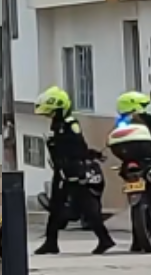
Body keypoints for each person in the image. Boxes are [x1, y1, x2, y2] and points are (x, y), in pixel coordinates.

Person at [34, 86, 115, 256]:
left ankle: (105, 239)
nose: (48, 116)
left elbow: (79, 148)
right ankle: (51, 243)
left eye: (51, 112)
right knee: (55, 208)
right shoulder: (58, 125)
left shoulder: (70, 125)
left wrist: (88, 158)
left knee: (88, 208)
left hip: (74, 173)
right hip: (62, 172)